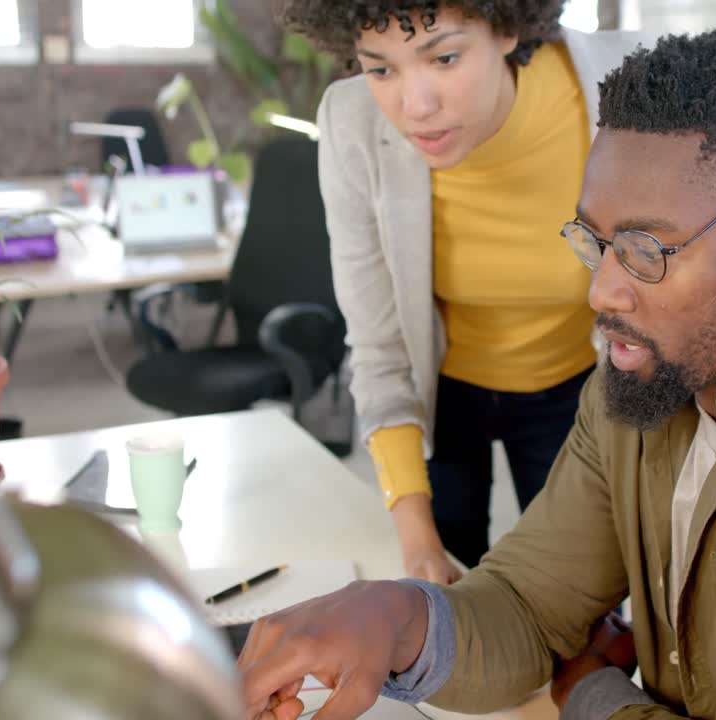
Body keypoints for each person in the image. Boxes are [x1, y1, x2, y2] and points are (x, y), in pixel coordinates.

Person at [237, 29, 716, 720]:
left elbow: (573, 668)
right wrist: (395, 617)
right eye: (596, 241)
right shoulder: (647, 377)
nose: (603, 290)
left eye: (649, 251)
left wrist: (591, 693)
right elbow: (526, 606)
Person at [277, 0, 653, 582]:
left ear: (505, 26)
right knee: (446, 609)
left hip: (581, 387)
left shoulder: (625, 92)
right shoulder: (353, 122)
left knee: (583, 596)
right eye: (381, 69)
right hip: (441, 393)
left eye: (445, 57)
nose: (416, 106)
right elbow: (381, 346)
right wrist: (418, 540)